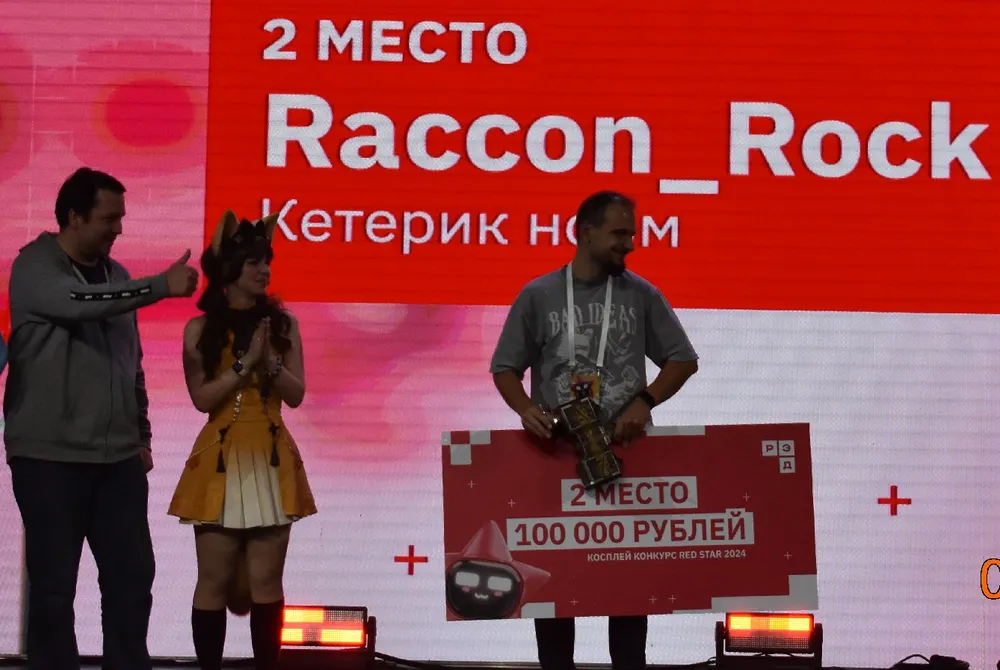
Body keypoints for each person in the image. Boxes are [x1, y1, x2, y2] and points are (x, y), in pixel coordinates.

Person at [489, 191, 699, 670]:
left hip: (627, 461)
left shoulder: (641, 294)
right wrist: (526, 409)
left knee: (627, 592)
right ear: (585, 233)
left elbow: (682, 360)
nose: (630, 243)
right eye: (619, 233)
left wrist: (645, 401)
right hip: (556, 460)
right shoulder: (539, 295)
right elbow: (505, 368)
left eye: (631, 233)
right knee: (555, 590)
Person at [3, 166, 200, 670]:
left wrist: (142, 434)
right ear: (74, 216)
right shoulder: (34, 268)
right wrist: (158, 286)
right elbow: (80, 305)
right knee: (53, 590)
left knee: (132, 580)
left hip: (117, 459)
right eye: (109, 218)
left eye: (121, 218)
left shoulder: (116, 277)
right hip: (49, 457)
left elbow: (130, 362)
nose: (119, 229)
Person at [167, 210, 317, 670]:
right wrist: (242, 365)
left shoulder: (283, 325)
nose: (264, 270)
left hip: (271, 457)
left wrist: (270, 364)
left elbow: (296, 395)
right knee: (212, 581)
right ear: (229, 269)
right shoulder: (199, 329)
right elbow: (201, 399)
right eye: (254, 262)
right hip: (219, 459)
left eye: (266, 261)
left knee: (266, 582)